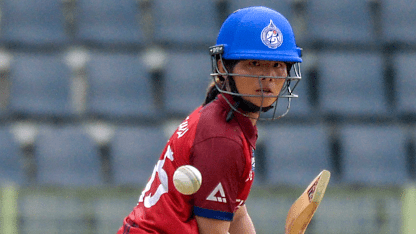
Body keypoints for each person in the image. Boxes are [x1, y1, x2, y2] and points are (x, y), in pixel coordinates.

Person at [117, 6, 302, 234]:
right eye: (254, 63)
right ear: (224, 67)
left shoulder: (226, 120)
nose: (269, 77)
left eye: (278, 65)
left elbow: (237, 213)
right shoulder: (223, 138)